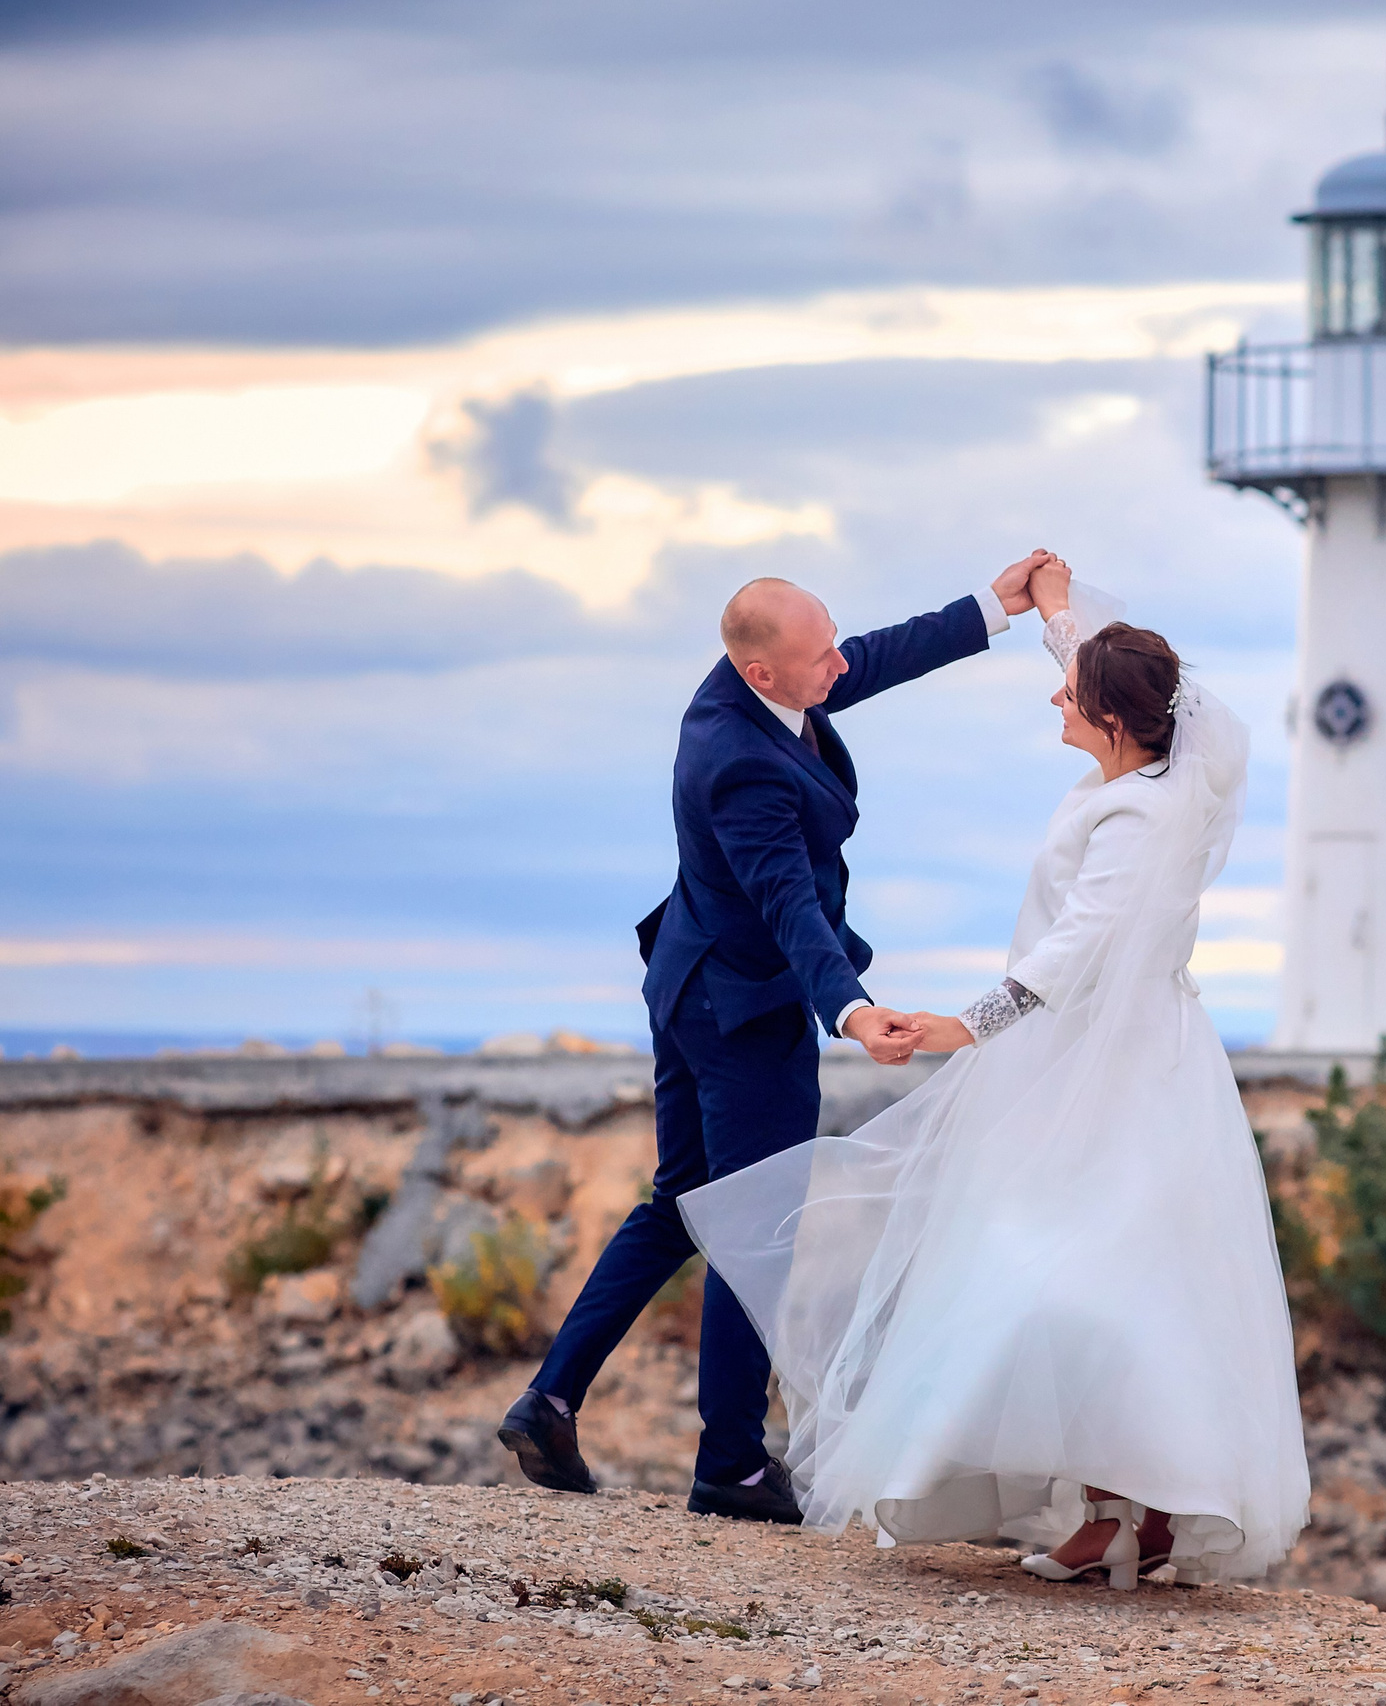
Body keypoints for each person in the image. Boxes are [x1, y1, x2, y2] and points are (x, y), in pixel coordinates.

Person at [679, 555, 1309, 1585]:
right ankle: (1118, 1511)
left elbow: (1076, 951)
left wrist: (958, 1028)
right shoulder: (1170, 758)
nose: (1055, 694)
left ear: (1112, 722)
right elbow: (1108, 669)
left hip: (1113, 1068)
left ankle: (1135, 1507)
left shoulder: (1140, 817)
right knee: (1077, 1273)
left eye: (1072, 695)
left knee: (1095, 1278)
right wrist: (1051, 608)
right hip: (1088, 1055)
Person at [498, 552, 1052, 1522]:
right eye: (816, 655)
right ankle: (730, 1467)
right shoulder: (740, 762)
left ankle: (548, 1400)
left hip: (690, 977)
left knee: (680, 1200)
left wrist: (988, 608)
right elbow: (787, 900)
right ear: (761, 673)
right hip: (742, 1009)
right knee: (754, 1226)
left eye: (829, 640)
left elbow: (864, 660)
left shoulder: (756, 688)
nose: (835, 664)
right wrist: (849, 1008)